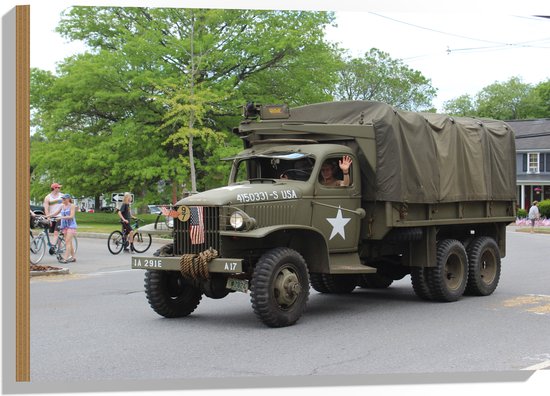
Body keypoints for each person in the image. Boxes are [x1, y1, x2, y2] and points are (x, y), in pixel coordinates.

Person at [47, 193, 77, 263]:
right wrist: (47, 216)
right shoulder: (62, 206)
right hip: (65, 226)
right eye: (62, 198)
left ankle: (65, 258)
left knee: (67, 242)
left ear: (68, 199)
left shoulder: (72, 206)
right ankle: (73, 258)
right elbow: (55, 213)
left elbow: (71, 216)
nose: (63, 200)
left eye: (64, 199)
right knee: (69, 242)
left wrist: (61, 217)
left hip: (71, 226)